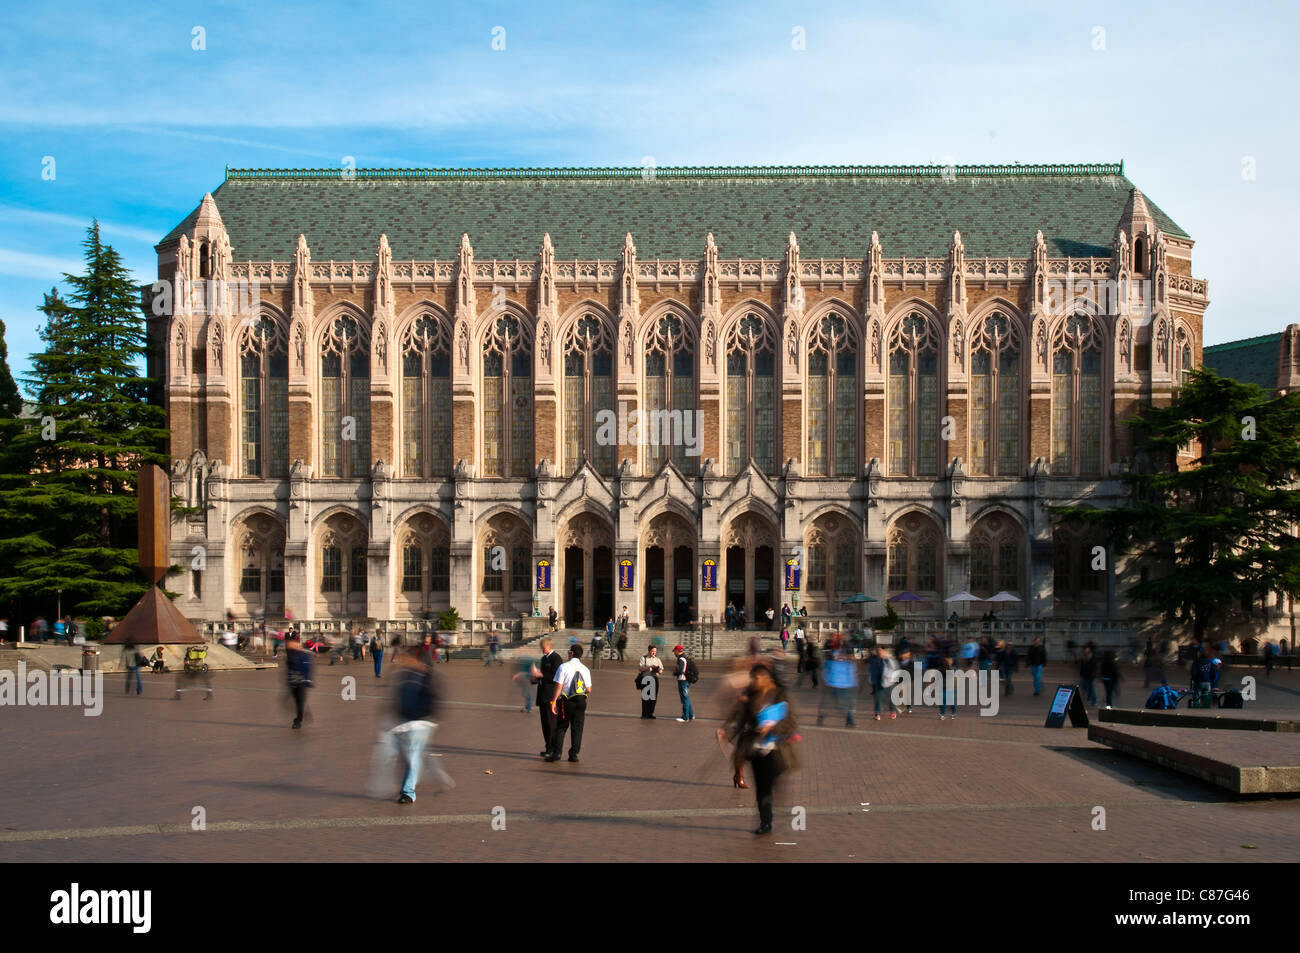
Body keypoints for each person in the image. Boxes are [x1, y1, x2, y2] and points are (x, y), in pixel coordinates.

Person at [381, 646, 453, 803]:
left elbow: (435, 696)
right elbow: (395, 697)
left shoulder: (426, 675)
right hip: (403, 723)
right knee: (408, 756)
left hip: (420, 723)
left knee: (412, 755)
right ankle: (436, 775)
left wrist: (429, 717)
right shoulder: (402, 675)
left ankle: (408, 792)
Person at [738, 664, 798, 835]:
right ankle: (765, 822)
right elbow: (742, 720)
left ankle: (768, 812)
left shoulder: (780, 695)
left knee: (769, 785)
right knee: (762, 788)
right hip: (756, 749)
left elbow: (791, 722)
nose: (754, 681)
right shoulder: (751, 695)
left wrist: (772, 728)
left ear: (766, 678)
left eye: (756, 678)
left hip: (776, 750)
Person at [546, 644, 593, 762]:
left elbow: (558, 686)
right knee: (577, 728)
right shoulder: (585, 669)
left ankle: (557, 753)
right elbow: (589, 689)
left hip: (567, 701)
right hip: (581, 701)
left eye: (568, 652)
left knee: (561, 726)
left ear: (571, 653)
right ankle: (574, 754)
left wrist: (553, 701)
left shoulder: (563, 667)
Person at [533, 637, 563, 755]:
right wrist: (534, 678)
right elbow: (542, 676)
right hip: (542, 695)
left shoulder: (556, 658)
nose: (541, 649)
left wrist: (540, 674)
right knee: (545, 724)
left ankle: (553, 748)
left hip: (551, 695)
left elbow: (556, 677)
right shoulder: (544, 659)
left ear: (549, 646)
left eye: (543, 647)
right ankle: (548, 747)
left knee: (551, 723)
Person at [818, 646, 858, 727]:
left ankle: (850, 721)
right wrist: (827, 680)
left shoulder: (848, 662)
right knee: (832, 704)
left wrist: (853, 683)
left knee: (844, 705)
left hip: (845, 686)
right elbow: (824, 670)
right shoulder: (832, 661)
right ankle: (821, 717)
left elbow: (852, 673)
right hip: (834, 685)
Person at [284, 632, 314, 729]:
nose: (289, 645)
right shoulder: (289, 654)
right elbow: (289, 667)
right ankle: (302, 713)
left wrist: (308, 680)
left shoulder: (303, 655)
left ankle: (298, 720)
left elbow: (308, 667)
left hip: (302, 681)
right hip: (293, 681)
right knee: (294, 701)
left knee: (299, 701)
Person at [869, 645, 900, 720]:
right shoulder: (874, 659)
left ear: (884, 652)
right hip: (877, 681)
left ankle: (892, 712)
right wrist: (871, 680)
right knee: (878, 698)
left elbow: (894, 668)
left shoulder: (889, 659)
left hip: (887, 682)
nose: (879, 653)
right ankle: (877, 714)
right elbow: (871, 669)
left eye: (880, 651)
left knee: (890, 698)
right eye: (877, 651)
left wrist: (887, 658)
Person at [1190, 642, 1221, 708]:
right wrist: (1211, 681)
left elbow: (1193, 672)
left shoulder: (1196, 662)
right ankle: (1206, 707)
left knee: (1197, 695)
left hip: (1198, 681)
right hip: (1207, 682)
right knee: (1206, 696)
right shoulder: (1210, 662)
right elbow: (1213, 673)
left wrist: (1195, 679)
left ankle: (1196, 707)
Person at [637, 644, 664, 718]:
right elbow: (640, 669)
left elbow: (661, 670)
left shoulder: (657, 659)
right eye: (652, 651)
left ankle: (650, 713)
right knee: (645, 697)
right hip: (646, 679)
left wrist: (658, 670)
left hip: (654, 678)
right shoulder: (643, 658)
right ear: (649, 651)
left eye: (655, 651)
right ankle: (644, 714)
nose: (654, 653)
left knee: (653, 697)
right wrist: (649, 667)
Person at [672, 645, 696, 722]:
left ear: (677, 651)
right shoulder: (685, 658)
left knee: (684, 698)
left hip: (683, 680)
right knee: (686, 698)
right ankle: (691, 715)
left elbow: (681, 670)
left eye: (674, 651)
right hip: (686, 680)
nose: (674, 653)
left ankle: (685, 717)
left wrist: (675, 672)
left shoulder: (681, 659)